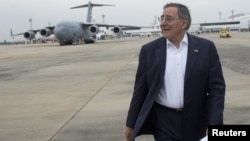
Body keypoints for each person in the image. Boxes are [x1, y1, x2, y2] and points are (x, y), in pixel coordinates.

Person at [125, 2, 225, 141]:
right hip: (164, 121)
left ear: (183, 23)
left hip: (197, 119)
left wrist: (214, 123)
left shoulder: (206, 48)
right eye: (161, 18)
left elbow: (217, 89)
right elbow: (140, 90)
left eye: (169, 18)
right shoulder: (149, 51)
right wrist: (130, 124)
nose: (162, 23)